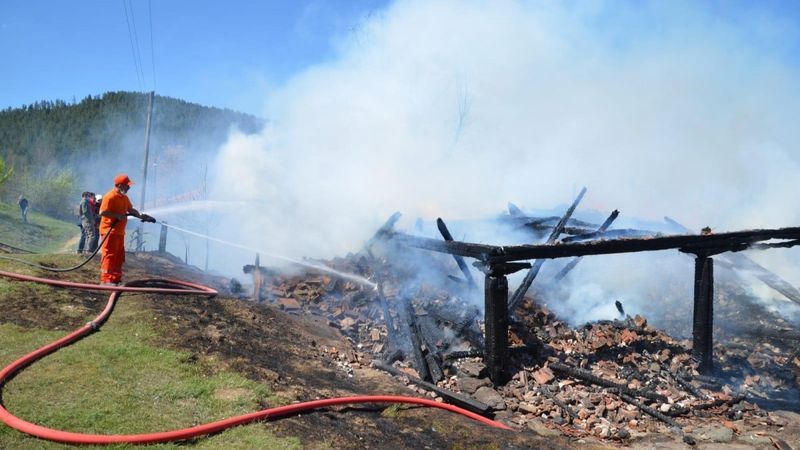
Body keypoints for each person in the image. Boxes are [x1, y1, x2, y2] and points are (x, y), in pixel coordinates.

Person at [98, 174, 156, 285]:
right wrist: (116, 215)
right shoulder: (110, 196)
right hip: (109, 231)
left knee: (119, 255)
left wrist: (142, 216)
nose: (129, 188)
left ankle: (115, 278)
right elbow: (102, 212)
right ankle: (106, 280)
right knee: (109, 255)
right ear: (120, 185)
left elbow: (130, 209)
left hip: (119, 231)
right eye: (127, 186)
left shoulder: (124, 197)